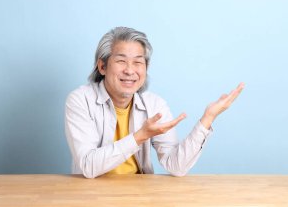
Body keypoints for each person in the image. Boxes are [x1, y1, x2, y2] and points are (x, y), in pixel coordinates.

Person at [65, 27, 244, 178]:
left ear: (146, 68)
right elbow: (88, 166)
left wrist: (208, 118)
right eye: (121, 61)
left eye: (137, 62)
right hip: (91, 195)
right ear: (102, 66)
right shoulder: (80, 100)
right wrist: (139, 136)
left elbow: (177, 166)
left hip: (140, 195)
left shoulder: (154, 105)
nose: (130, 70)